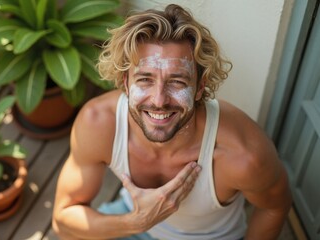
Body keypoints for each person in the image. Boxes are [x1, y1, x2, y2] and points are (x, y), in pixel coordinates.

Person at [52, 4, 292, 240]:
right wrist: (137, 221)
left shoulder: (242, 154)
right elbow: (63, 221)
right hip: (132, 220)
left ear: (200, 87)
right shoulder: (99, 123)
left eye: (177, 81)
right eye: (145, 79)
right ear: (126, 82)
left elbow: (274, 206)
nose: (159, 100)